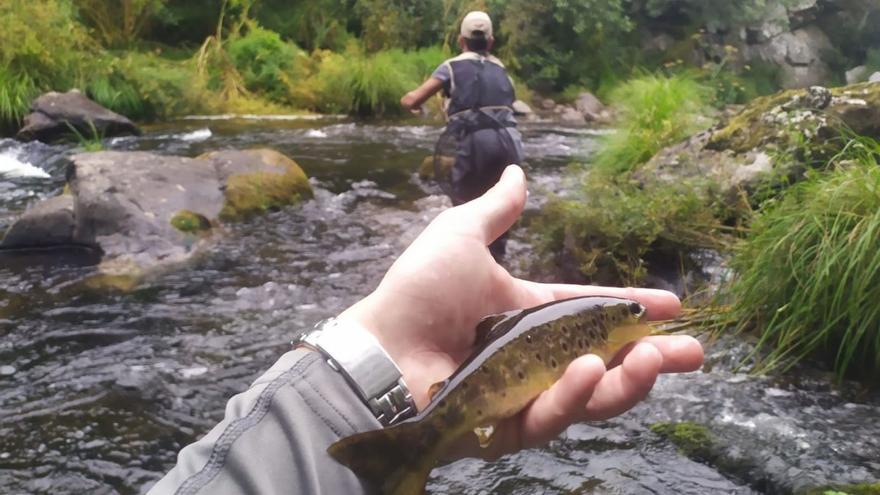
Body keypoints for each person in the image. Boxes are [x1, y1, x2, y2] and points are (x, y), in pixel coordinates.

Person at [148, 165, 704, 494]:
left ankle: (407, 446)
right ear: (605, 323)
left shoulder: (592, 329)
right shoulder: (595, 327)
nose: (640, 319)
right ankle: (410, 448)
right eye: (632, 315)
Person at [401, 10, 524, 261]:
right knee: (499, 212)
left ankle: (469, 269)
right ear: (490, 42)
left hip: (474, 144)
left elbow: (413, 99)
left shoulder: (451, 67)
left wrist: (410, 103)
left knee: (466, 212)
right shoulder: (502, 71)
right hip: (509, 144)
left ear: (461, 41)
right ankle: (497, 265)